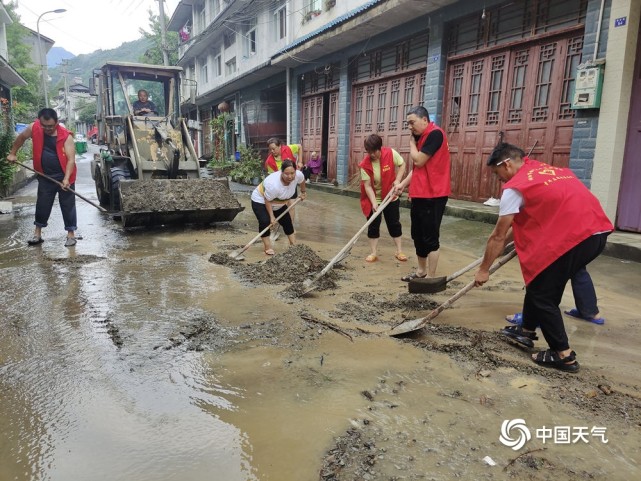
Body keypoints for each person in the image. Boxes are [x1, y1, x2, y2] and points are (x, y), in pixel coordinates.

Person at [473, 143, 613, 373]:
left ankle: (563, 355)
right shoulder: (543, 169)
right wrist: (506, 244)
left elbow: (498, 235)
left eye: (498, 176)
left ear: (506, 164)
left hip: (573, 238)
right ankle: (526, 330)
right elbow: (512, 231)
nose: (500, 182)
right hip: (596, 232)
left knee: (543, 296)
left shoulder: (514, 188)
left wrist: (484, 269)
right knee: (540, 282)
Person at [393, 106, 451, 282]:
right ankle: (421, 272)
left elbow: (418, 161)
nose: (410, 127)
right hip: (419, 194)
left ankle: (430, 278)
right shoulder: (423, 138)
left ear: (425, 120)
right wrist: (402, 185)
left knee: (430, 237)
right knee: (417, 235)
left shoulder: (435, 134)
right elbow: (418, 170)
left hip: (433, 195)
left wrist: (411, 144)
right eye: (408, 124)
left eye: (412, 122)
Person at [7, 108, 78, 247]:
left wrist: (66, 179)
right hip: (44, 175)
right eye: (44, 126)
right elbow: (21, 138)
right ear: (39, 121)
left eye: (50, 126)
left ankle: (71, 235)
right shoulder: (34, 127)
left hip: (65, 176)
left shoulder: (66, 136)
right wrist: (13, 153)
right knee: (42, 205)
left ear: (57, 122)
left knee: (67, 205)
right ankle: (37, 234)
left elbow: (70, 160)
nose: (47, 129)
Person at [359, 134, 407, 263]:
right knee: (373, 225)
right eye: (369, 151)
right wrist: (374, 203)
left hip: (391, 196)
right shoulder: (364, 164)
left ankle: (399, 251)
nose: (372, 154)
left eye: (374, 151)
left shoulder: (391, 153)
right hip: (374, 198)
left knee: (394, 224)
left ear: (379, 148)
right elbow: (368, 186)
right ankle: (373, 252)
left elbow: (402, 165)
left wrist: (398, 180)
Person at [506, 267, 605, 325]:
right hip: (588, 236)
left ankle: (533, 317)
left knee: (542, 262)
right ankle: (590, 312)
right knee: (578, 267)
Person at [250, 160, 307, 255]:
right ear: (281, 172)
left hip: (279, 202)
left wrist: (303, 192)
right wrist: (272, 217)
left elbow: (302, 180)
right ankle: (267, 247)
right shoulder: (273, 184)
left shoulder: (298, 175)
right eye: (286, 174)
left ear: (295, 171)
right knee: (265, 221)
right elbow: (267, 200)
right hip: (261, 200)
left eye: (292, 173)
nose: (290, 176)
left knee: (287, 221)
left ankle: (293, 245)